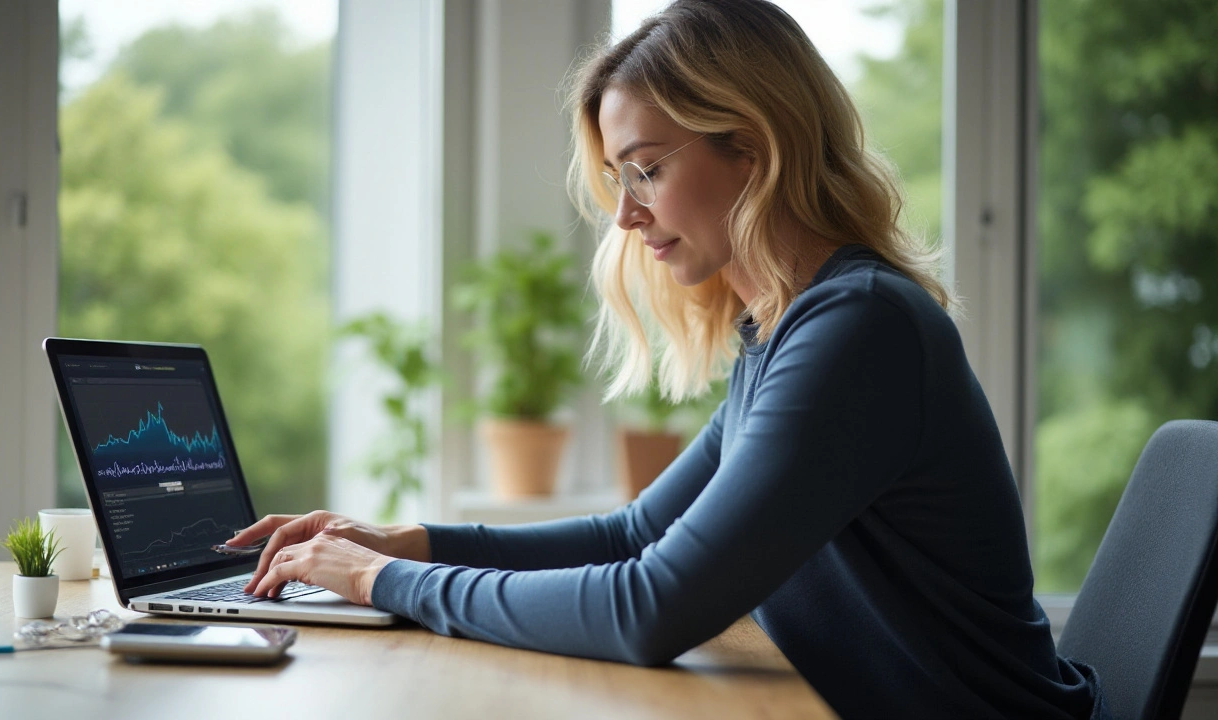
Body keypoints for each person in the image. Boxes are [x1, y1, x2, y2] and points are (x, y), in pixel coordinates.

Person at [227, 1, 1105, 717]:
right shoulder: (789, 325)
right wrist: (406, 539)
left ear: (753, 148)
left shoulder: (859, 329)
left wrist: (387, 580)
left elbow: (652, 607)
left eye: (646, 170)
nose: (626, 215)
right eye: (619, 179)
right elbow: (638, 533)